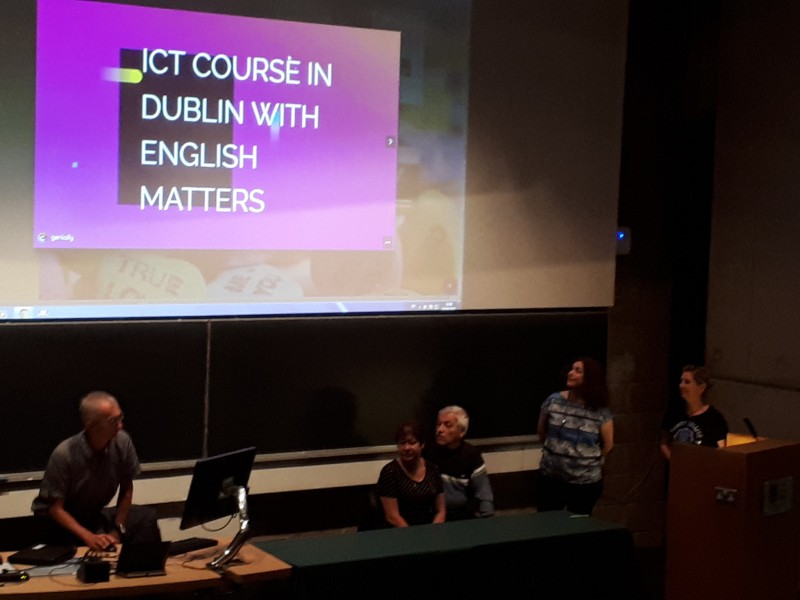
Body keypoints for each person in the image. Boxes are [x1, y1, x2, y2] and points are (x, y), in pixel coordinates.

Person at [31, 391, 161, 550]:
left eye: (120, 418)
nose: (120, 426)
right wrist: (88, 537)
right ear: (92, 426)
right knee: (89, 547)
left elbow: (127, 489)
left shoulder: (122, 442)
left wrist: (117, 530)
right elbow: (55, 509)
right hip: (57, 522)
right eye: (113, 421)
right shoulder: (64, 454)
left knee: (144, 517)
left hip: (92, 515)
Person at [536, 357, 614, 515]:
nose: (570, 373)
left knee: (578, 525)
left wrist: (585, 462)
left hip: (584, 483)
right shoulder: (554, 400)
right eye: (571, 369)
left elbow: (608, 445)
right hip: (552, 478)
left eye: (578, 371)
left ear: (590, 378)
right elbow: (541, 432)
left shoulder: (599, 410)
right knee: (548, 522)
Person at [425, 405, 494, 520]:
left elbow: (483, 493)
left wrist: (488, 521)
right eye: (438, 424)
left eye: (447, 425)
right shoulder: (428, 453)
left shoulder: (472, 455)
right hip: (433, 516)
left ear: (462, 431)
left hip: (463, 516)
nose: (440, 430)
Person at [377, 421, 446, 527]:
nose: (407, 448)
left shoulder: (433, 468)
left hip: (431, 529)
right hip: (401, 531)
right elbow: (392, 516)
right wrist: (413, 535)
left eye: (412, 442)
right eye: (402, 443)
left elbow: (441, 510)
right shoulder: (390, 471)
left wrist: (434, 531)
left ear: (422, 444)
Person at [660, 365, 728, 460]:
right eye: (681, 381)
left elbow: (722, 450)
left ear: (701, 387)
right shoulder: (674, 413)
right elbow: (664, 443)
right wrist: (674, 460)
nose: (681, 385)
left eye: (687, 382)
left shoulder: (714, 419)